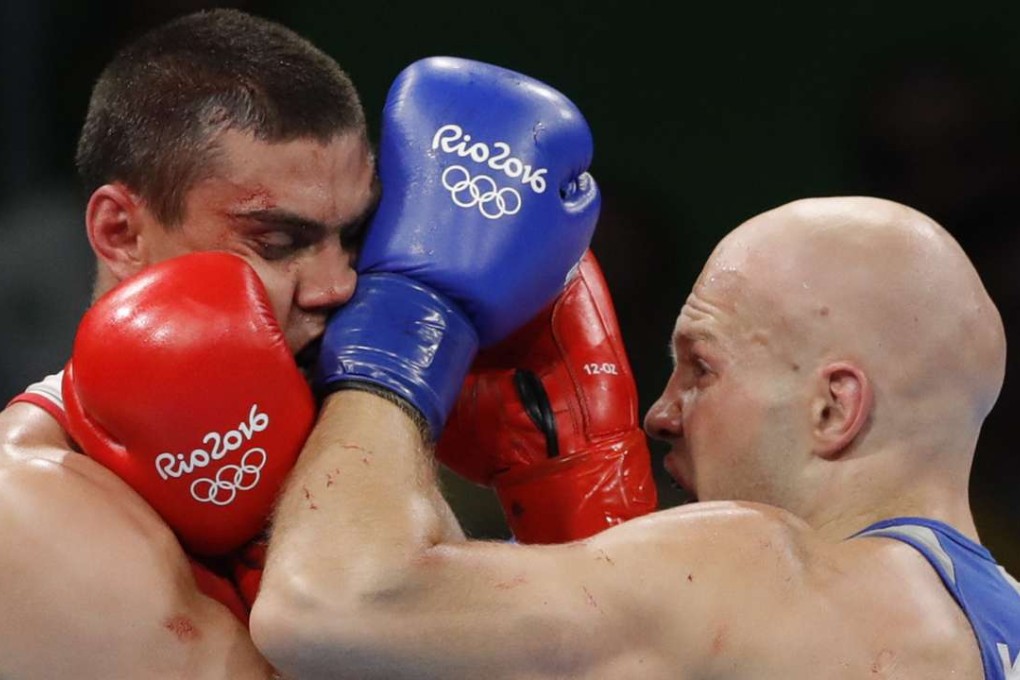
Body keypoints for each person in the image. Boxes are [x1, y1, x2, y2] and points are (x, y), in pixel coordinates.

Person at [252, 195, 1020, 679]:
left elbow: (328, 608)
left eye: (701, 368)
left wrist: (412, 326)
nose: (661, 411)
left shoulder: (760, 571)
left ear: (832, 408)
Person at [0, 8, 375, 677]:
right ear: (120, 233)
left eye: (349, 237)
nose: (337, 285)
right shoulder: (22, 507)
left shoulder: (330, 422)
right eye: (280, 242)